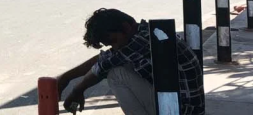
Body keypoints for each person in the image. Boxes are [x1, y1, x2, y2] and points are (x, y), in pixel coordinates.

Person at [57, 9, 204, 115]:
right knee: (119, 64)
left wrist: (77, 90)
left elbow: (103, 66)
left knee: (116, 74)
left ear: (126, 28)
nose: (115, 47)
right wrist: (66, 77)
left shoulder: (143, 41)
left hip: (182, 110)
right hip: (181, 107)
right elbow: (107, 57)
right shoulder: (144, 33)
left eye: (113, 41)